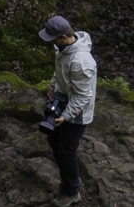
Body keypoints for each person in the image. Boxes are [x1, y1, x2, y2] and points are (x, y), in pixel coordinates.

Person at [39, 14, 97, 207]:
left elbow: (82, 97)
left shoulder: (81, 62)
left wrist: (65, 116)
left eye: (53, 38)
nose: (51, 42)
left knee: (66, 152)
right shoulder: (63, 49)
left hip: (77, 113)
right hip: (64, 99)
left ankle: (71, 192)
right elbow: (59, 70)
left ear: (64, 36)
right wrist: (54, 85)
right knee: (52, 139)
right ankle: (71, 178)